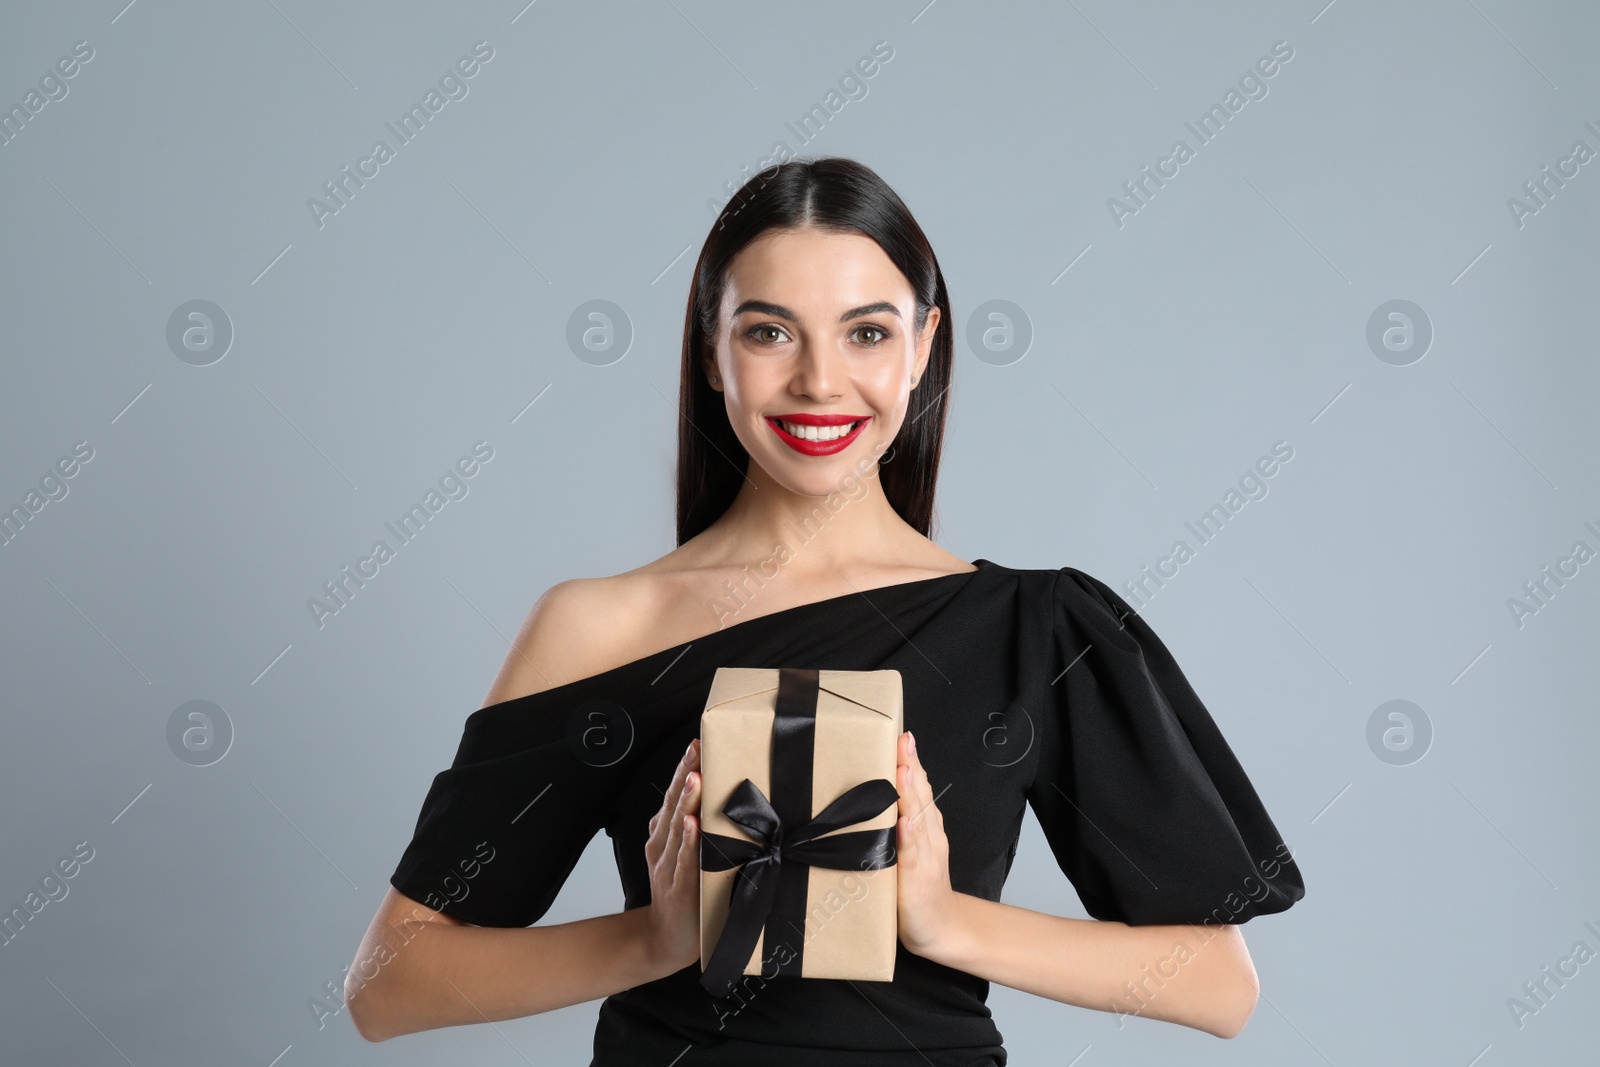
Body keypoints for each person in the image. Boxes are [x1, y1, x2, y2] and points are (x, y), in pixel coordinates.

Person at [344, 157, 1304, 1064]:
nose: (817, 380)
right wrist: (657, 937)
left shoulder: (1035, 628)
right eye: (768, 331)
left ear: (925, 346)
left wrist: (941, 921)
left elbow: (1219, 986)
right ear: (712, 354)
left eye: (867, 331)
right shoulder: (600, 627)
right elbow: (388, 986)